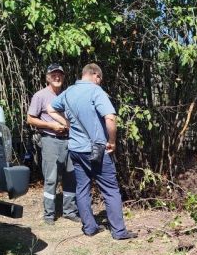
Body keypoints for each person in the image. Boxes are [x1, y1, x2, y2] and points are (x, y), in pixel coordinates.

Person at [47, 63, 137, 240]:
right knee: (110, 189)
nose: (100, 83)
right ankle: (119, 231)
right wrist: (112, 141)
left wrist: (68, 124)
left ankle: (89, 228)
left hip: (75, 150)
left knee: (82, 188)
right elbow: (110, 117)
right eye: (100, 79)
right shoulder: (96, 92)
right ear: (95, 75)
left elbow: (50, 109)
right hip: (96, 150)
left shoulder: (68, 92)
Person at [26, 63, 80, 226]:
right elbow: (30, 119)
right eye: (54, 74)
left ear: (63, 77)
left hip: (70, 140)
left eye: (60, 74)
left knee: (71, 176)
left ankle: (69, 211)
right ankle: (49, 214)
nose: (57, 77)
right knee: (51, 178)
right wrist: (52, 126)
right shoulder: (40, 96)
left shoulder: (67, 95)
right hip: (50, 140)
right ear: (48, 77)